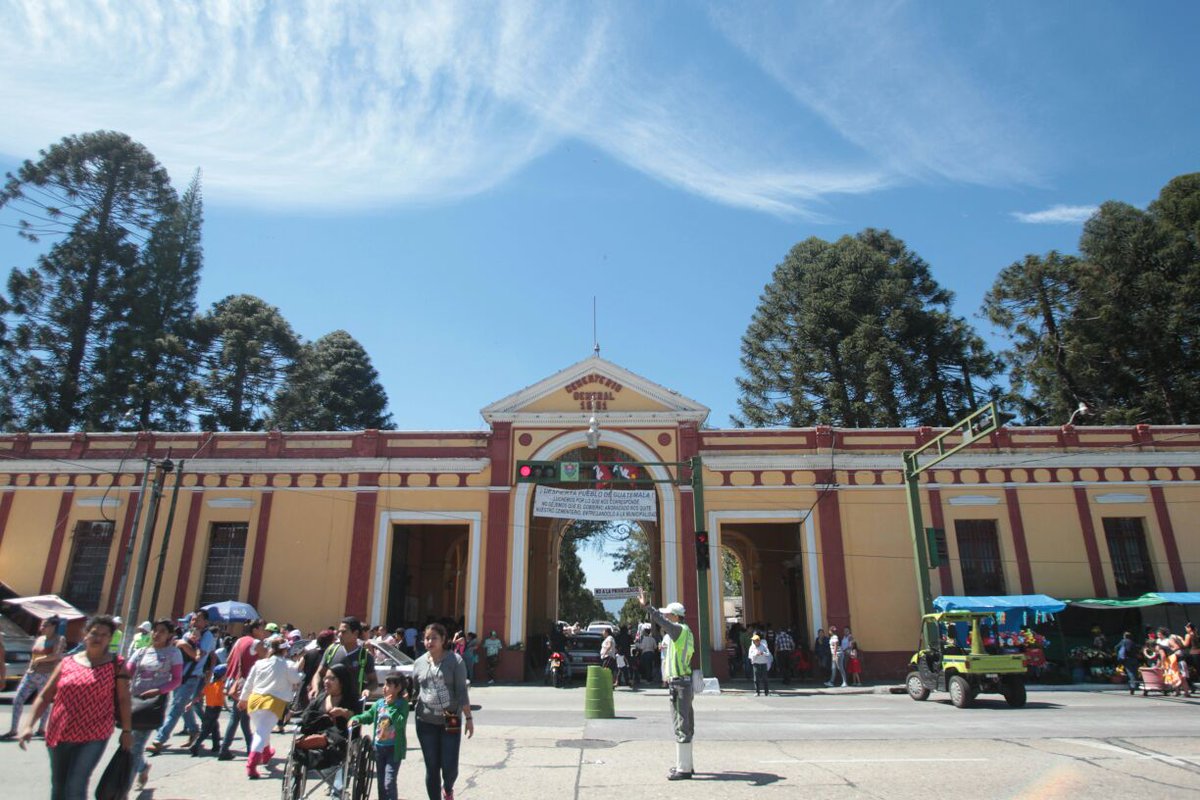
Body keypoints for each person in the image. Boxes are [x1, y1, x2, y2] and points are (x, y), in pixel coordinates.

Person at [18, 614, 133, 800]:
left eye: (104, 635)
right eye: (94, 633)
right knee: (59, 786)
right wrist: (28, 726)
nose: (98, 638)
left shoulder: (117, 664)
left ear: (110, 639)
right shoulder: (67, 662)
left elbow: (124, 699)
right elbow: (45, 696)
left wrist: (127, 731)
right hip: (60, 732)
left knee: (75, 785)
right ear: (85, 635)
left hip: (95, 734)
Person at [637, 589, 695, 781]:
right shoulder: (686, 632)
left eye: (669, 615)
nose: (666, 618)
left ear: (676, 616)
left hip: (679, 683)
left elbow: (661, 621)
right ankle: (687, 763)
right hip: (683, 682)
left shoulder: (678, 630)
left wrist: (647, 607)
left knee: (681, 724)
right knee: (686, 723)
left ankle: (683, 769)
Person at [413, 622, 473, 800]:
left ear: (444, 639)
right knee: (431, 766)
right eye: (427, 638)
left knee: (449, 765)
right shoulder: (419, 663)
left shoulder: (455, 661)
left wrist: (468, 718)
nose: (429, 642)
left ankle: (448, 787)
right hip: (425, 721)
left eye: (434, 638)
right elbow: (416, 690)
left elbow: (461, 692)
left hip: (451, 718)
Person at [128, 618, 184, 790]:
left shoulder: (173, 653)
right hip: (133, 701)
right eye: (155, 630)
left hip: (152, 704)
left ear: (169, 635)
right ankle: (142, 767)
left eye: (162, 631)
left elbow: (176, 680)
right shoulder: (141, 652)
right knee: (127, 743)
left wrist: (159, 691)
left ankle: (124, 788)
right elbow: (127, 672)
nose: (157, 634)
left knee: (136, 746)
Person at [239, 634, 302, 778]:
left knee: (261, 729)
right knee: (261, 732)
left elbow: (249, 682)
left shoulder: (260, 663)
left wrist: (243, 699)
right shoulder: (288, 664)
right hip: (273, 703)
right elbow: (296, 680)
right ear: (285, 650)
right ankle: (252, 764)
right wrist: (299, 668)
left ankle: (266, 752)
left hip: (254, 700)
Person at [294, 662, 361, 796]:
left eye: (332, 678)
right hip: (318, 733)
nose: (326, 681)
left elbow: (359, 718)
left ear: (342, 681)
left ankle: (320, 741)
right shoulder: (321, 698)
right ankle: (313, 741)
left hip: (341, 737)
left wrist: (344, 713)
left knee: (331, 739)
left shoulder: (351, 699)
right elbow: (306, 716)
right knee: (305, 741)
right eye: (325, 678)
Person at [351, 673, 411, 800]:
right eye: (384, 684)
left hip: (394, 749)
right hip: (379, 748)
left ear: (398, 688)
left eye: (388, 685)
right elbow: (368, 716)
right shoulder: (379, 704)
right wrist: (357, 718)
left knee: (389, 782)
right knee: (381, 784)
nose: (384, 687)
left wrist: (392, 707)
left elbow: (400, 723)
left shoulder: (402, 704)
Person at [4, 615, 64, 739]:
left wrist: (40, 659)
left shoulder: (59, 639)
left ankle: (41, 729)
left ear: (53, 626)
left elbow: (56, 655)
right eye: (41, 625)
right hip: (31, 673)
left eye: (45, 625)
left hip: (46, 674)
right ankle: (13, 729)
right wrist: (30, 666)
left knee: (44, 701)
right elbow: (33, 655)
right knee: (18, 699)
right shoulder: (40, 638)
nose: (42, 627)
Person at [217, 618, 268, 761]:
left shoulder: (240, 640)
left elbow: (229, 660)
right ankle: (226, 749)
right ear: (255, 630)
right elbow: (268, 661)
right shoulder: (256, 643)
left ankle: (249, 749)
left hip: (237, 683)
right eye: (262, 629)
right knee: (237, 717)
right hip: (248, 684)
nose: (264, 632)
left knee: (242, 718)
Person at [312, 616, 377, 701]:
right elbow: (319, 673)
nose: (339, 635)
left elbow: (374, 681)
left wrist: (368, 689)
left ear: (355, 633)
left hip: (352, 704)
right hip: (328, 703)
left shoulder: (365, 656)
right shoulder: (331, 650)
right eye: (339, 632)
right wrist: (315, 687)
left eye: (343, 632)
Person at [190, 663, 227, 756]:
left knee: (214, 727)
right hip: (215, 708)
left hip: (208, 708)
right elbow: (221, 694)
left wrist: (191, 703)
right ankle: (195, 745)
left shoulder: (210, 685)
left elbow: (200, 695)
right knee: (207, 729)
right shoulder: (220, 685)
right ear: (223, 675)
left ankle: (216, 745)